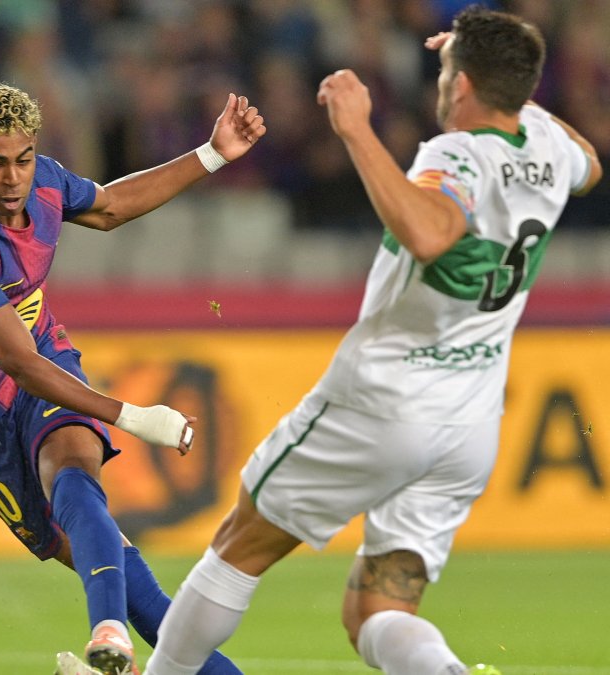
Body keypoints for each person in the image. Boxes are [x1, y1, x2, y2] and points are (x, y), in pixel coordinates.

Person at [139, 7, 602, 675]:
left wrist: (357, 131)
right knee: (377, 610)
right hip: (467, 421)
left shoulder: (456, 153)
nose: (440, 84)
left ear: (463, 86)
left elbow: (431, 232)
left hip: (385, 400)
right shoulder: (551, 152)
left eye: (448, 73)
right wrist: (506, 80)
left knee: (241, 542)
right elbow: (589, 162)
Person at [0, 81, 265, 675]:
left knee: (73, 467)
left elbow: (110, 207)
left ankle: (107, 633)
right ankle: (123, 629)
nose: (12, 178)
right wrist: (133, 416)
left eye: (22, 159)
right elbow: (15, 363)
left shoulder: (44, 180)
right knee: (138, 592)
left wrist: (213, 153)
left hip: (46, 358)